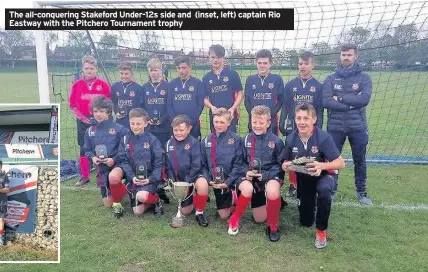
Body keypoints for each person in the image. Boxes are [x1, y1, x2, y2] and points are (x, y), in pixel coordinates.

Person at [282, 103, 345, 248]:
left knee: (324, 191)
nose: (302, 122)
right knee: (306, 222)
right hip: (304, 178)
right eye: (298, 118)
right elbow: (285, 163)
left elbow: (341, 163)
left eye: (306, 118)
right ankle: (311, 206)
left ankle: (321, 231)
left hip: (325, 175)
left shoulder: (323, 137)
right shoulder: (291, 138)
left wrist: (321, 165)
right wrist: (286, 166)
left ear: (314, 119)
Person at [322, 44, 373, 205]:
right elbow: (326, 101)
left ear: (355, 56)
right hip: (335, 127)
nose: (346, 57)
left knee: (360, 160)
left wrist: (341, 98)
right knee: (332, 159)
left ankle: (362, 192)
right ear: (340, 56)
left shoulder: (364, 78)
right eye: (343, 54)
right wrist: (352, 101)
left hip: (357, 127)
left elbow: (364, 99)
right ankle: (332, 190)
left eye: (349, 55)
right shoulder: (331, 78)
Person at [228, 105, 285, 242]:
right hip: (248, 179)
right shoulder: (245, 139)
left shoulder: (276, 141)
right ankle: (234, 219)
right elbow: (238, 162)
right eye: (254, 122)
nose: (257, 126)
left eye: (261, 122)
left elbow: (280, 166)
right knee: (247, 188)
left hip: (267, 178)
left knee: (260, 219)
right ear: (250, 121)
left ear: (269, 122)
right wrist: (246, 172)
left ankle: (273, 227)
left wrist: (265, 176)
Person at [279, 51, 324, 197]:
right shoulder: (291, 85)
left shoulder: (317, 86)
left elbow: (319, 110)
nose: (303, 66)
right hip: (294, 126)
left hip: (310, 127)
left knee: (311, 154)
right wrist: (282, 123)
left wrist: (319, 127)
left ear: (313, 65)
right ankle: (293, 185)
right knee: (293, 155)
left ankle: (311, 182)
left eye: (306, 63)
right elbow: (285, 106)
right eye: (300, 64)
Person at [69, 55, 111, 187]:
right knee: (83, 147)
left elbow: (109, 104)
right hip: (84, 121)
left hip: (101, 120)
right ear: (83, 69)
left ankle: (106, 172)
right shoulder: (77, 85)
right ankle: (84, 176)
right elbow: (72, 105)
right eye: (86, 68)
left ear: (96, 69)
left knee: (104, 146)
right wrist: (84, 118)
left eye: (91, 68)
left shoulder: (103, 84)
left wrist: (102, 117)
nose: (89, 71)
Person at [115, 108, 164, 216]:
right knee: (138, 212)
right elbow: (123, 161)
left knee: (141, 196)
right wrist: (132, 177)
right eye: (132, 123)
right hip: (134, 180)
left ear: (146, 123)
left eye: (138, 123)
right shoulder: (125, 140)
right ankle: (148, 200)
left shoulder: (152, 140)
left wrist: (150, 179)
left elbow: (158, 163)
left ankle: (157, 201)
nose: (135, 126)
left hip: (149, 180)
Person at [83, 96, 128, 213]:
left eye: (101, 111)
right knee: (108, 204)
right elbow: (86, 150)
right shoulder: (90, 131)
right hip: (102, 169)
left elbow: (127, 150)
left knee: (113, 176)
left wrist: (114, 159)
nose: (98, 114)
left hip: (119, 165)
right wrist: (92, 157)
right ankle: (123, 189)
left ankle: (125, 185)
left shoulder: (120, 129)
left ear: (108, 111)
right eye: (95, 111)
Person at [165, 115, 209, 226]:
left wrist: (187, 182)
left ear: (189, 129)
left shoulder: (194, 143)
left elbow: (196, 164)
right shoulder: (168, 144)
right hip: (179, 180)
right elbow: (168, 166)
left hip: (193, 176)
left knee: (202, 184)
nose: (178, 133)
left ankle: (200, 213)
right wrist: (172, 180)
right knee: (185, 211)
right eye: (176, 130)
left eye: (181, 130)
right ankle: (194, 197)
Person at [201, 108, 245, 220]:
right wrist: (208, 179)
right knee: (223, 215)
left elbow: (239, 164)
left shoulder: (236, 140)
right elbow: (203, 164)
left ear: (229, 123)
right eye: (216, 122)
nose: (219, 125)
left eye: (222, 122)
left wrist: (228, 182)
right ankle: (229, 203)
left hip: (232, 181)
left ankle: (236, 197)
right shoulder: (206, 141)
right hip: (216, 182)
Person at [203, 44, 244, 134]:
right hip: (215, 116)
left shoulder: (232, 74)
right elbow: (204, 98)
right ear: (209, 57)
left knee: (232, 141)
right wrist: (211, 107)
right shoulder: (206, 77)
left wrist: (233, 108)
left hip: (230, 115)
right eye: (213, 57)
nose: (215, 60)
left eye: (218, 57)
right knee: (216, 142)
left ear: (223, 58)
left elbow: (240, 94)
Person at [244, 49, 284, 135]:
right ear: (256, 63)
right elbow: (247, 100)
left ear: (270, 64)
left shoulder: (277, 79)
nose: (262, 65)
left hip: (271, 121)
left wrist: (271, 114)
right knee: (254, 145)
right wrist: (253, 114)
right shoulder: (250, 79)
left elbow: (281, 100)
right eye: (259, 63)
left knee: (272, 145)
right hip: (254, 121)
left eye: (265, 63)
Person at [167, 56, 205, 141]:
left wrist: (191, 122)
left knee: (194, 149)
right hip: (177, 126)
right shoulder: (172, 84)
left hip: (193, 125)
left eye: (184, 68)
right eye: (179, 68)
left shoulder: (197, 83)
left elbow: (200, 104)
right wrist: (175, 121)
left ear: (190, 67)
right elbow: (169, 104)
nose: (181, 70)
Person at [142, 58, 171, 147]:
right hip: (149, 127)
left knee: (163, 150)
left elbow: (170, 106)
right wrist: (147, 118)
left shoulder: (168, 86)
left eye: (156, 70)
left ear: (161, 71)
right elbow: (142, 106)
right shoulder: (144, 87)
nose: (153, 73)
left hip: (164, 127)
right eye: (151, 70)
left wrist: (162, 119)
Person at [111, 62, 144, 130]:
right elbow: (113, 102)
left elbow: (141, 107)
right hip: (119, 122)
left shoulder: (138, 88)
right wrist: (116, 112)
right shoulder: (115, 86)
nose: (123, 76)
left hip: (134, 123)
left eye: (126, 74)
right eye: (121, 73)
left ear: (132, 74)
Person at [0, 161, 10, 245]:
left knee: (1, 219)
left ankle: (0, 236)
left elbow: (7, 189)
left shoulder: (4, 176)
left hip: (2, 202)